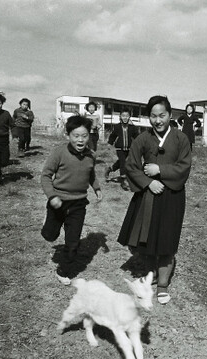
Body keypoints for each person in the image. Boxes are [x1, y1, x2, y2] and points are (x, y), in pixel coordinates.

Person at [117, 95, 192, 305]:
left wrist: (161, 169)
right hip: (148, 194)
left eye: (162, 115)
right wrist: (148, 182)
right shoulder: (142, 138)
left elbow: (184, 166)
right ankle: (151, 276)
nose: (158, 121)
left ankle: (163, 285)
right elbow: (131, 165)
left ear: (170, 115)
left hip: (173, 196)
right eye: (153, 116)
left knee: (167, 241)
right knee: (147, 239)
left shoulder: (180, 139)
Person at [40, 115, 102, 285]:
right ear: (68, 136)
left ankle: (64, 270)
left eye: (84, 136)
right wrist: (52, 196)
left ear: (89, 136)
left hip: (78, 204)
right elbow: (45, 176)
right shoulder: (59, 152)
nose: (80, 140)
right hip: (57, 202)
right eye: (76, 135)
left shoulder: (91, 155)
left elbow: (90, 174)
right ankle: (49, 225)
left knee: (73, 241)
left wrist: (96, 188)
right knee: (49, 235)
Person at [104, 109, 139, 190]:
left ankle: (109, 169)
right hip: (120, 148)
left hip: (129, 148)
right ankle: (124, 181)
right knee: (123, 162)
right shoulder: (117, 127)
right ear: (120, 117)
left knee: (121, 162)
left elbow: (137, 137)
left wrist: (141, 144)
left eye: (127, 116)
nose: (125, 118)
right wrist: (110, 143)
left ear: (129, 117)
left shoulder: (132, 127)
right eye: (123, 116)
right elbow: (112, 136)